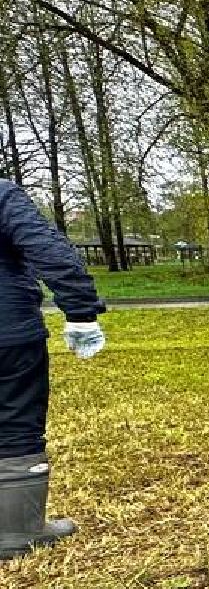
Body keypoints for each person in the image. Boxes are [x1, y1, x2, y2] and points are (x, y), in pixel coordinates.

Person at [0, 180, 104, 560]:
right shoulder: (1, 194)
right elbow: (47, 248)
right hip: (8, 333)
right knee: (16, 426)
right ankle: (16, 531)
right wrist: (80, 310)